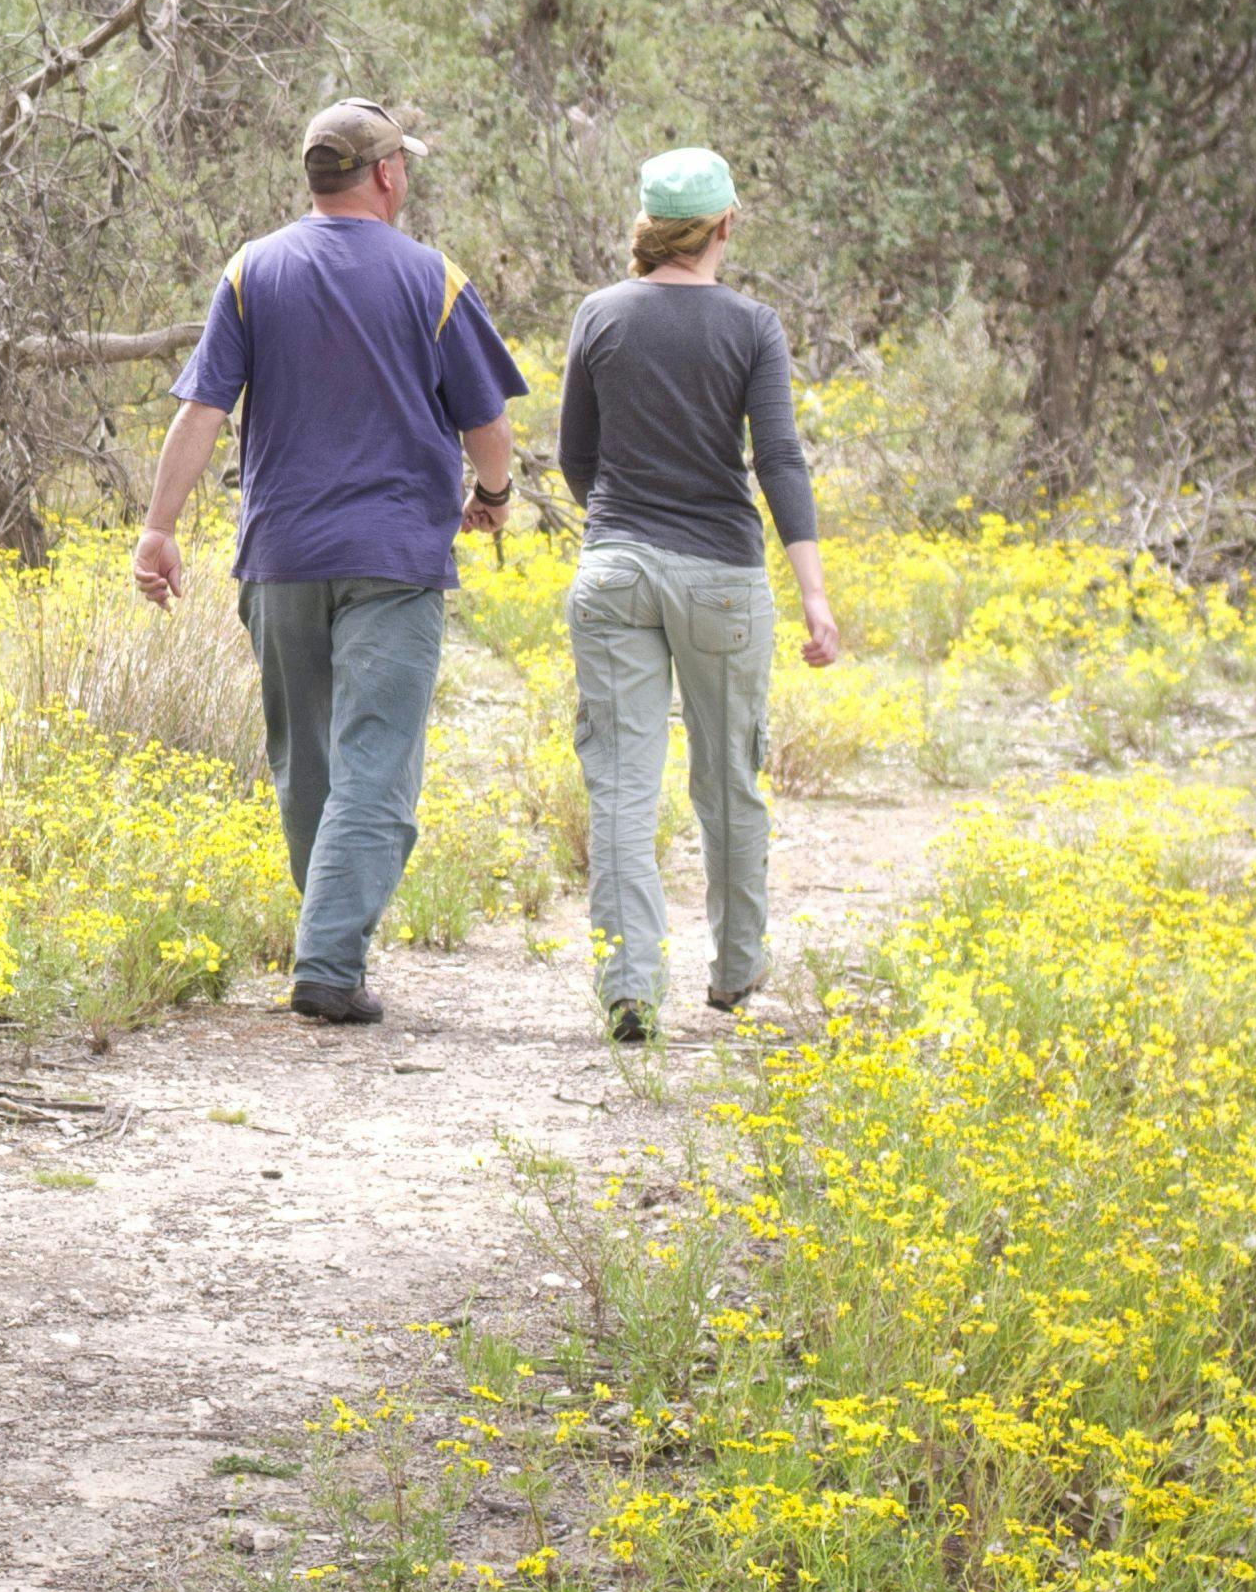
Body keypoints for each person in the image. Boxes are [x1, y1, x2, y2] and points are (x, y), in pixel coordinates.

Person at [133, 97, 524, 1029]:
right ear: (387, 173)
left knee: (305, 764)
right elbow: (488, 424)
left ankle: (329, 946)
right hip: (392, 557)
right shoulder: (431, 278)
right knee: (375, 767)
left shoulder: (251, 270)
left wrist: (158, 527)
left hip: (281, 555)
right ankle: (329, 960)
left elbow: (201, 411)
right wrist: (495, 496)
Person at [552, 148, 840, 1047]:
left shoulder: (600, 315)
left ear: (648, 226)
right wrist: (814, 596)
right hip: (722, 575)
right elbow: (779, 461)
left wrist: (621, 518)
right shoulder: (752, 326)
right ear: (725, 225)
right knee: (729, 779)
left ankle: (629, 989)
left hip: (616, 572)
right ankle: (734, 970)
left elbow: (575, 456)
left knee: (621, 790)